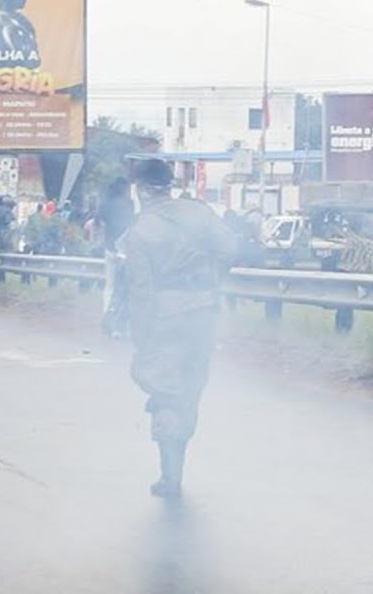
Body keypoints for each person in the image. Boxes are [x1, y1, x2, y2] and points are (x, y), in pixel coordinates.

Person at [118, 159, 237, 498]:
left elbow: (140, 292)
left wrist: (140, 337)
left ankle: (170, 476)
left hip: (164, 319)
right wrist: (211, 277)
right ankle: (175, 468)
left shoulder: (140, 231)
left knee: (166, 392)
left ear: (141, 190)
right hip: (204, 312)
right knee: (191, 388)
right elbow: (230, 248)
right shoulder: (198, 212)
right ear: (168, 184)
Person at [98, 178, 135, 324]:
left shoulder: (106, 204)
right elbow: (131, 224)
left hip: (109, 249)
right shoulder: (129, 204)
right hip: (125, 250)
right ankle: (121, 320)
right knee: (126, 287)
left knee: (110, 285)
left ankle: (107, 314)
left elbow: (101, 224)